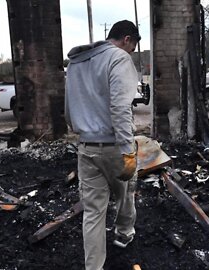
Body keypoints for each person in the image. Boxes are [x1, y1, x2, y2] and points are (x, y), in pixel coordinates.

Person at [64, 20, 140, 270]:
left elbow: (68, 107)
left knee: (93, 212)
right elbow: (120, 108)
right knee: (125, 193)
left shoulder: (76, 62)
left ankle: (93, 267)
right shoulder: (119, 58)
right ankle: (124, 233)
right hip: (115, 147)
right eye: (133, 47)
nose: (131, 52)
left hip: (86, 147)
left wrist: (79, 129)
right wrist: (128, 150)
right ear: (127, 39)